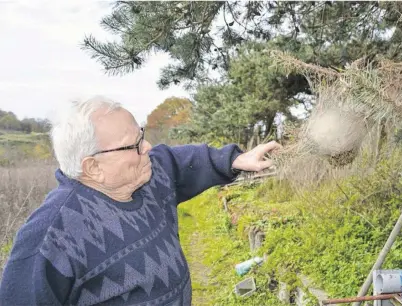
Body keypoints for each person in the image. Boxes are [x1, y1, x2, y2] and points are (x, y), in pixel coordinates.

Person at [0, 97, 281, 306]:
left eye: (141, 136)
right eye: (133, 144)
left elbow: (179, 161)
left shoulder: (147, 173)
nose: (146, 147)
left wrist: (233, 160)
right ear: (93, 167)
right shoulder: (51, 236)